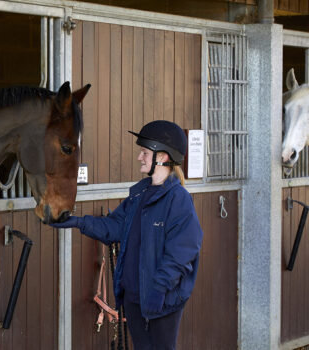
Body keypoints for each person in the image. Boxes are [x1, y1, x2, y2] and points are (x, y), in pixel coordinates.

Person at [50, 120, 203, 350]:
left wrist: (159, 289)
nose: (140, 157)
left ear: (162, 157)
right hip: (133, 297)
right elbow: (115, 227)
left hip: (160, 299)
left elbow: (182, 252)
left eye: (144, 152)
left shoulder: (178, 200)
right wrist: (79, 222)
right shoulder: (139, 193)